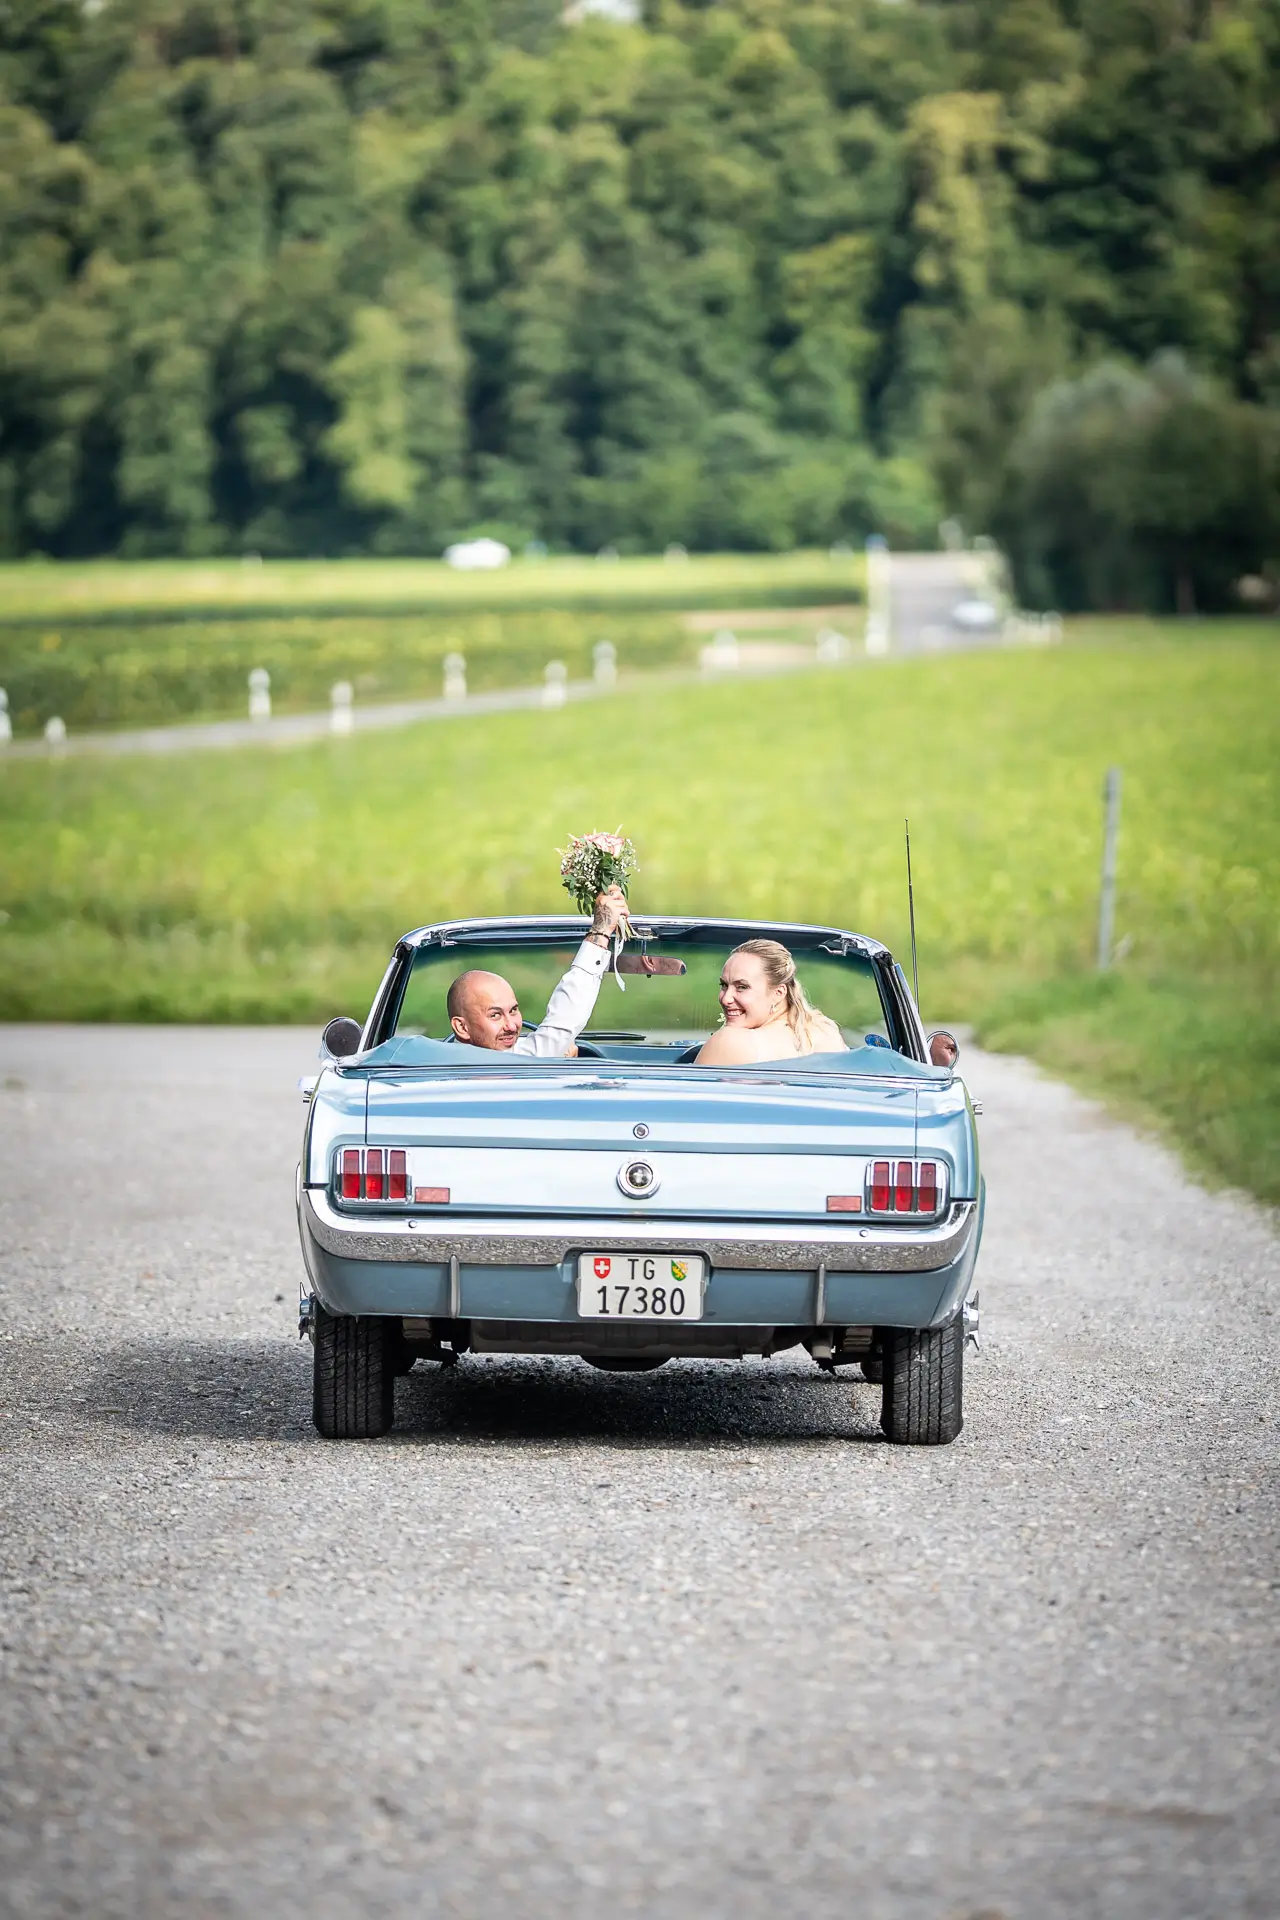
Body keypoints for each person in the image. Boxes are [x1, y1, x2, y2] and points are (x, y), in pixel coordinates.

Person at [447, 886, 628, 1054]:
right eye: (495, 1015)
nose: (511, 1026)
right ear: (462, 1028)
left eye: (513, 1011)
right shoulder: (475, 1062)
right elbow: (557, 1034)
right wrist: (600, 932)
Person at [694, 939, 845, 1065]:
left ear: (778, 993)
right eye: (724, 985)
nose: (726, 999)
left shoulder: (729, 1041)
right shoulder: (825, 1031)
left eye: (742, 987)